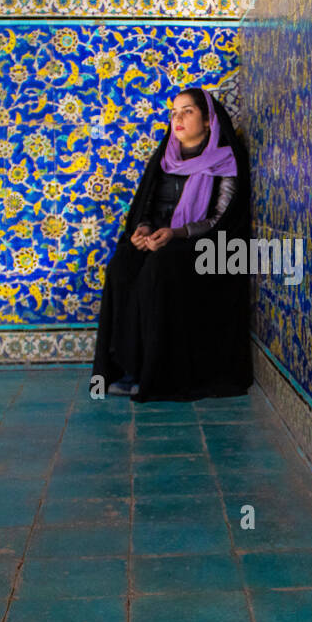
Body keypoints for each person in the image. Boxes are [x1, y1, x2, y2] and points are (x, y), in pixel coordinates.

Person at [90, 86, 253, 401]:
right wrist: (143, 229)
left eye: (187, 111)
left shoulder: (226, 160)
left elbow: (221, 220)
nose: (177, 119)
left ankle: (155, 372)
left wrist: (175, 234)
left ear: (208, 121)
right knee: (123, 265)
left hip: (205, 247)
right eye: (174, 112)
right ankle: (125, 367)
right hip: (161, 241)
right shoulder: (165, 159)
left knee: (160, 267)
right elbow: (146, 209)